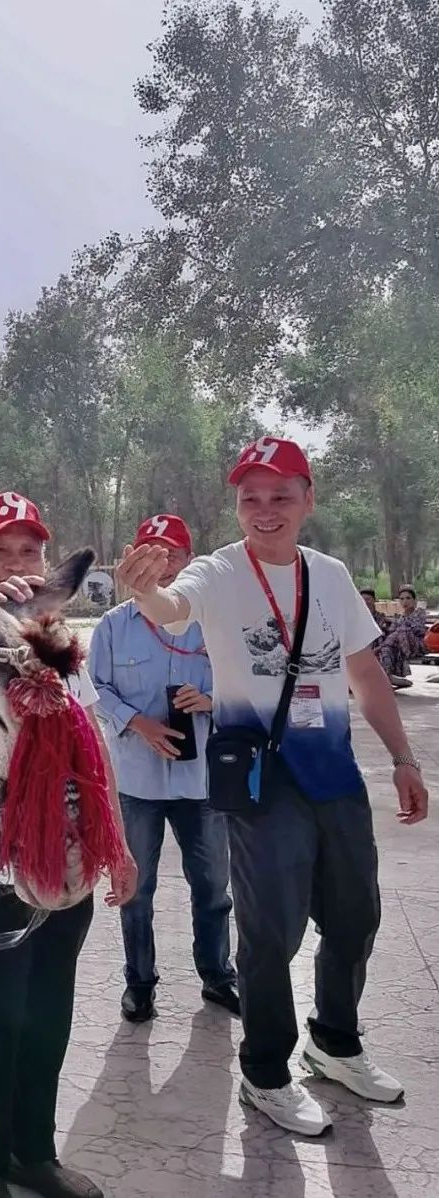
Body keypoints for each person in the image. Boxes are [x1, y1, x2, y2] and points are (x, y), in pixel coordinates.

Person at [116, 436, 429, 1137]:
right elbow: (170, 606)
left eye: (280, 495)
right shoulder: (218, 570)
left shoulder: (331, 575)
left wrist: (403, 758)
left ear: (307, 499)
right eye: (249, 498)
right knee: (271, 933)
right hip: (260, 781)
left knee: (354, 917)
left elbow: (365, 672)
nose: (264, 510)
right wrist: (145, 590)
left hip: (333, 773)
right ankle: (264, 1072)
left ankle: (334, 1042)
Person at [0, 491, 137, 1198]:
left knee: (48, 1013)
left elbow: (95, 749)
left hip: (66, 865)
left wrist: (118, 846)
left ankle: (32, 1152)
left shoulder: (60, 644)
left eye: (29, 551)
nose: (16, 564)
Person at [88, 514, 237, 1024]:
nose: (163, 563)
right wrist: (139, 723)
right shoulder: (114, 626)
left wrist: (212, 699)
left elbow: (250, 685)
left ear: (190, 560)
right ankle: (139, 983)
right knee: (136, 889)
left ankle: (218, 976)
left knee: (213, 888)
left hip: (202, 783)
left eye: (173, 553)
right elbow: (96, 690)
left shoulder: (215, 622)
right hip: (137, 782)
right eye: (151, 553)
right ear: (132, 560)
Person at [377, 585, 428, 687]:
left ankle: (380, 648)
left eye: (408, 598)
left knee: (401, 630)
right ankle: (388, 675)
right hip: (399, 646)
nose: (405, 601)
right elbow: (391, 631)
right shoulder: (400, 616)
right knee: (386, 647)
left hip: (417, 645)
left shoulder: (420, 613)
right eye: (402, 599)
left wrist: (397, 622)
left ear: (414, 600)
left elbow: (418, 630)